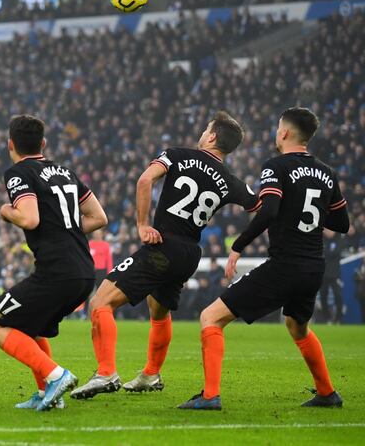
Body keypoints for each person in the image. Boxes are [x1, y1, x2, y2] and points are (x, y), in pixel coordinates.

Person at [71, 112, 258, 399]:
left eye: (206, 128)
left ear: (212, 136)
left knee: (100, 303)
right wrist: (242, 243)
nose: (202, 132)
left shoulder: (178, 155)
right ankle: (150, 374)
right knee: (159, 311)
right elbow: (261, 207)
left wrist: (142, 224)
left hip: (163, 244)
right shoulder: (231, 180)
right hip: (189, 254)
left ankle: (106, 372)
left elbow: (145, 180)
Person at [180, 107, 350, 410]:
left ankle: (209, 396)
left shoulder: (276, 166)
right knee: (297, 327)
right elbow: (342, 223)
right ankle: (327, 392)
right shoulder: (327, 173)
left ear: (284, 132)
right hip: (314, 266)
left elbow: (268, 210)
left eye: (277, 128)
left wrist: (239, 246)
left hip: (285, 265)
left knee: (211, 317)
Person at [0, 115, 108, 412]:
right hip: (83, 272)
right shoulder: (66, 172)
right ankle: (48, 394)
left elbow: (29, 218)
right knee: (30, 328)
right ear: (44, 143)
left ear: (10, 144)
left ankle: (56, 375)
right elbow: (99, 218)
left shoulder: (18, 173)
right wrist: (65, 231)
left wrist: (5, 211)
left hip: (56, 273)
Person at [319, 230, 344, 324]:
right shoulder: (320, 240)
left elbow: (335, 253)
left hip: (335, 273)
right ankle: (327, 318)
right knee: (323, 297)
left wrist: (326, 252)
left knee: (338, 296)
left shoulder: (339, 239)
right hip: (323, 273)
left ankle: (338, 318)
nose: (328, 232)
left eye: (331, 230)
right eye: (326, 230)